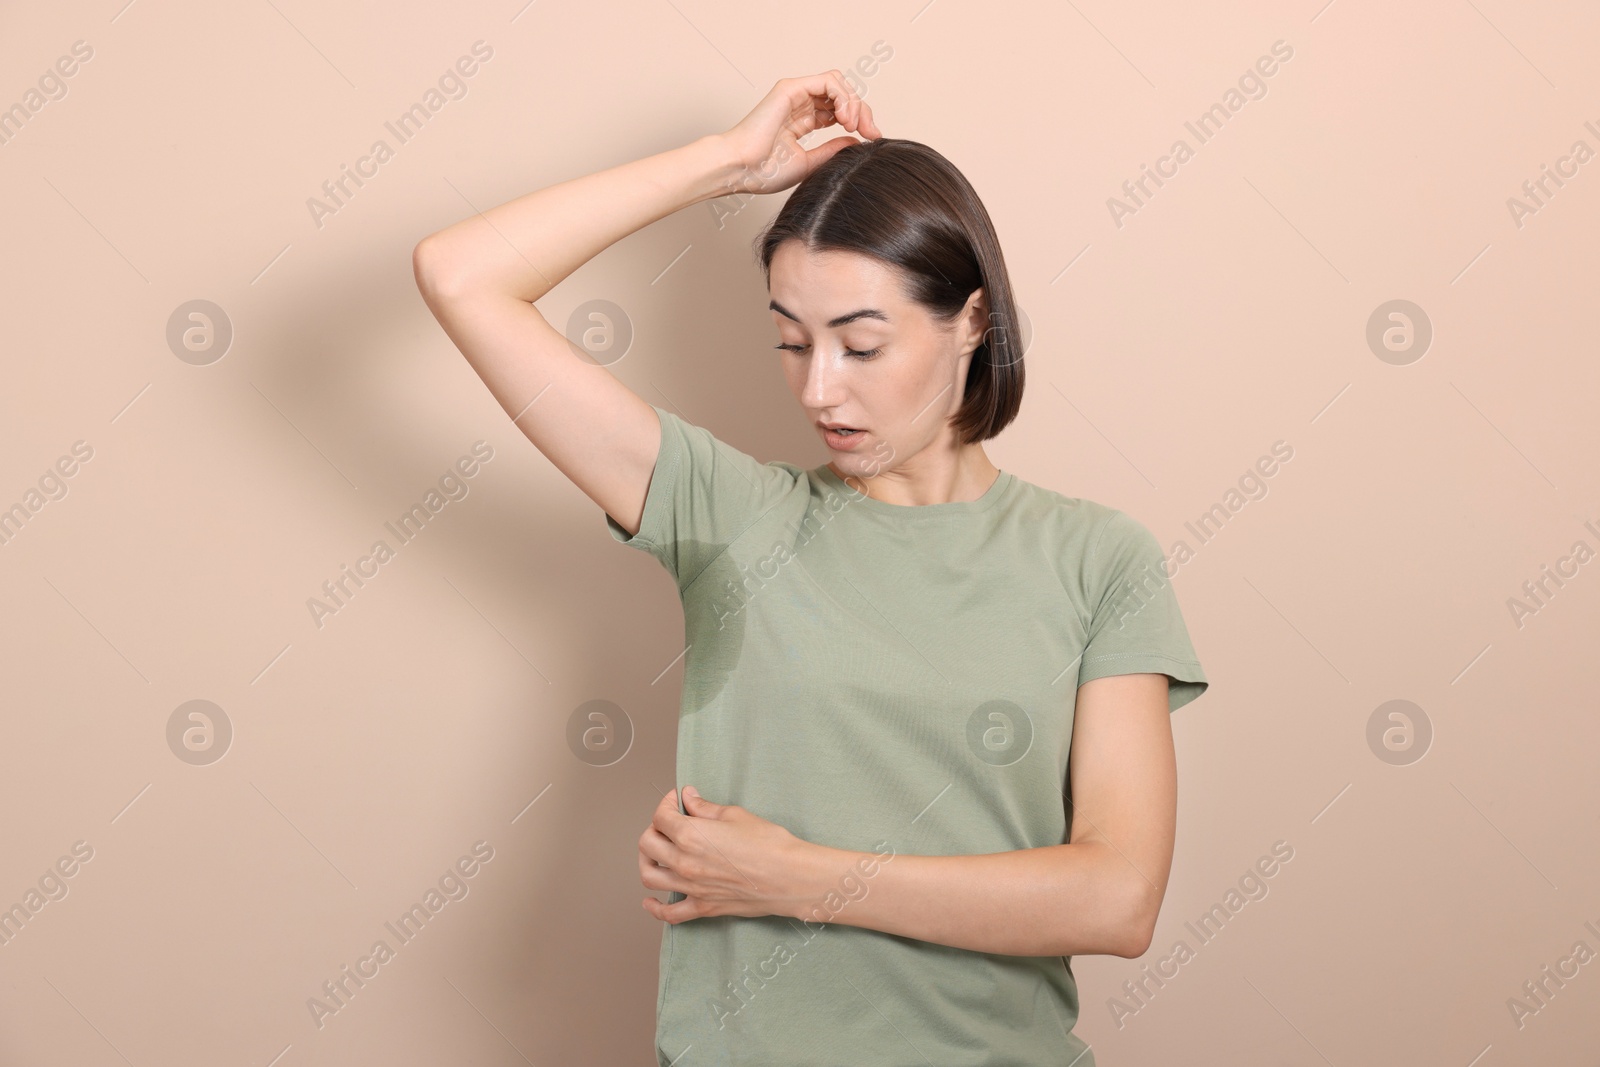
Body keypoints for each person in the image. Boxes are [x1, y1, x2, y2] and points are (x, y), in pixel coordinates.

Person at [413, 70, 1207, 1067]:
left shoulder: (1098, 558)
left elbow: (1116, 896)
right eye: (791, 341)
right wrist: (728, 163)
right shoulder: (730, 517)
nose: (817, 387)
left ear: (969, 321)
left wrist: (794, 877)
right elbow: (460, 275)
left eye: (860, 342)